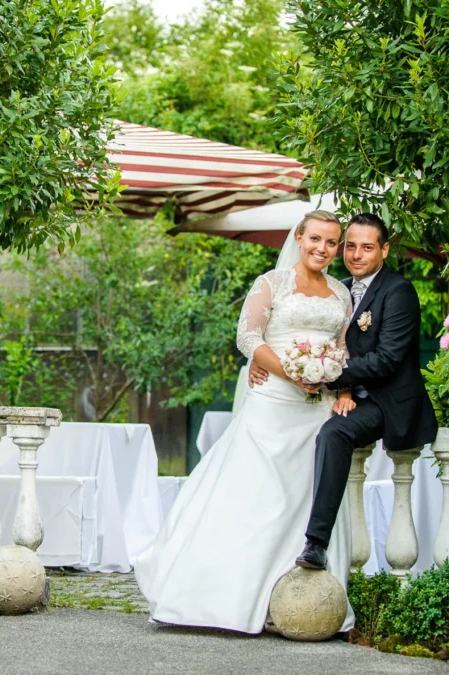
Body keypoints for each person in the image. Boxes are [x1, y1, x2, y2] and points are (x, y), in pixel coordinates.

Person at [134, 210, 356, 635]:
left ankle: (293, 603)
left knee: (304, 496)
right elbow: (248, 337)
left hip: (317, 410)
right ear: (300, 237)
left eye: (331, 243)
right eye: (315, 239)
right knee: (257, 495)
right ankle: (225, 598)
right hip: (274, 400)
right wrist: (291, 371)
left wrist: (335, 383)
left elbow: (343, 348)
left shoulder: (341, 295)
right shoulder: (271, 283)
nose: (322, 249)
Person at [249, 213, 438, 571]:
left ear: (384, 250)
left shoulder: (398, 291)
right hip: (339, 393)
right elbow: (322, 340)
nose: (356, 254)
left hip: (385, 401)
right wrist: (270, 362)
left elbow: (386, 360)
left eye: (367, 248)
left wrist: (322, 375)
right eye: (350, 246)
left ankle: (316, 544)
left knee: (334, 434)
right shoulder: (338, 289)